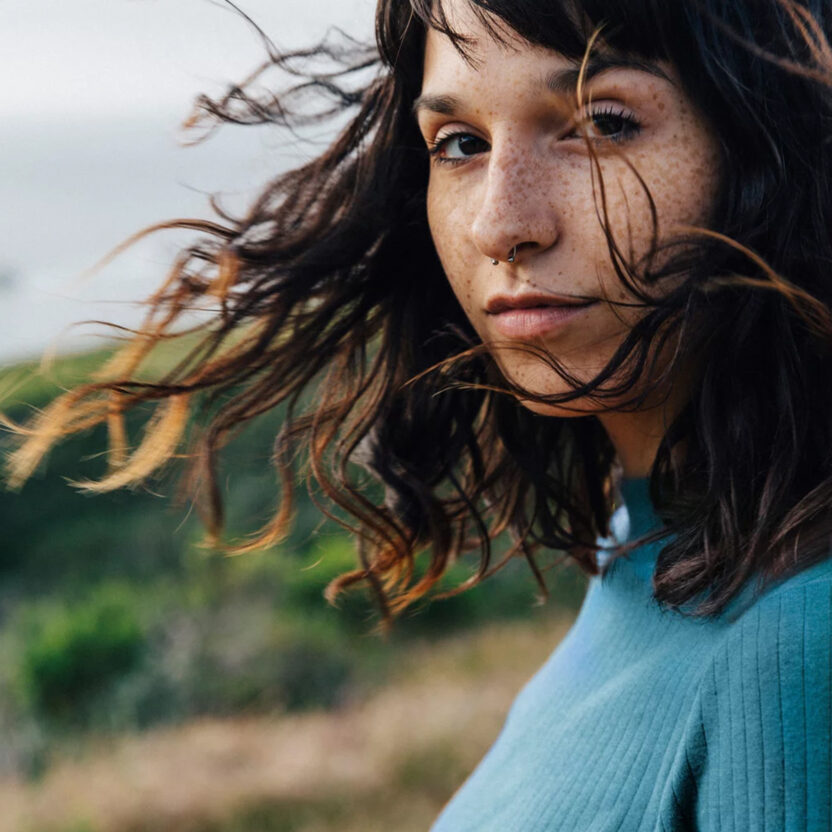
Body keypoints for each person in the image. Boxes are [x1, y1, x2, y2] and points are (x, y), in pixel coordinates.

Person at [8, 0, 832, 828]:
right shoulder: (643, 542)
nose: (500, 224)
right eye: (462, 144)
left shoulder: (798, 647)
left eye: (602, 123)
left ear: (777, 148)